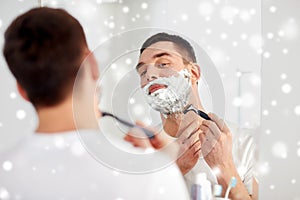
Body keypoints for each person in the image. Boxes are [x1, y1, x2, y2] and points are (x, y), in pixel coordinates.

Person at [0, 8, 191, 199]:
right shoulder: (151, 175)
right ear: (91, 63)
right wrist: (161, 167)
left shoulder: (5, 176)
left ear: (22, 90)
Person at [127, 32, 258, 200]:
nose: (150, 75)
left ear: (194, 73)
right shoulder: (142, 150)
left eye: (163, 64)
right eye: (143, 71)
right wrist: (174, 169)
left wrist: (224, 167)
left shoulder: (247, 143)